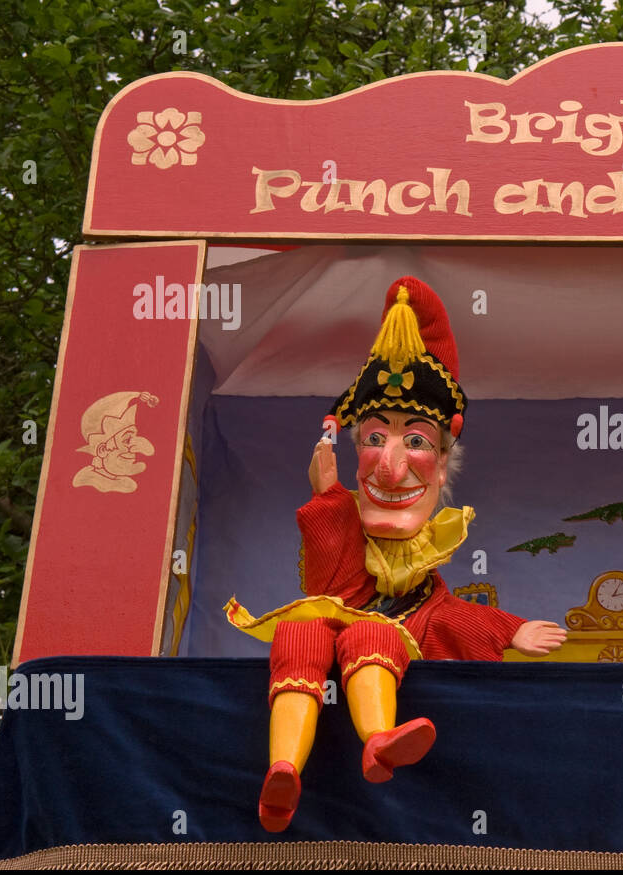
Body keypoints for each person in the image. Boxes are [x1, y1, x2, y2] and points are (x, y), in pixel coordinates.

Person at [226, 276, 565, 832]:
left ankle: (378, 740)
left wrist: (509, 629)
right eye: (374, 438)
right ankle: (282, 770)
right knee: (301, 633)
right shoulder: (341, 519)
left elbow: (448, 615)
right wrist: (326, 499)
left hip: (376, 636)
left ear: (443, 458)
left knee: (376, 635)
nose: (390, 464)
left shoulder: (421, 574)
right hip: (323, 620)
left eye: (415, 441)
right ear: (355, 450)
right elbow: (330, 587)